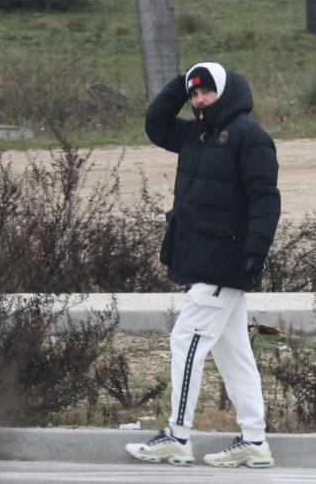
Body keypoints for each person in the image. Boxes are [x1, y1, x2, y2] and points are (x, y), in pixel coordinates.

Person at [125, 61, 281, 468]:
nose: (198, 100)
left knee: (186, 341)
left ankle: (177, 435)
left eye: (205, 91)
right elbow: (156, 126)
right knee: (234, 354)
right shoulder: (197, 134)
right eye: (193, 94)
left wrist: (255, 253)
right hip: (203, 259)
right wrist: (181, 80)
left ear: (225, 93)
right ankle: (254, 441)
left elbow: (265, 199)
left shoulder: (250, 137)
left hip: (224, 262)